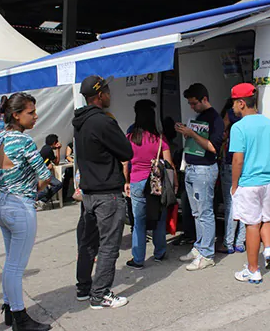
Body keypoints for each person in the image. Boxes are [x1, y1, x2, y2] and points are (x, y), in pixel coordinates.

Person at [0, 92, 53, 330]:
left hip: (2, 204)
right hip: (20, 207)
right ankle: (20, 318)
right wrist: (35, 188)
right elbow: (45, 175)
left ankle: (9, 307)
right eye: (31, 112)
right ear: (16, 115)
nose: (35, 116)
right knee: (15, 267)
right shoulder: (25, 142)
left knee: (10, 263)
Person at [73, 75, 133, 309]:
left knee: (88, 243)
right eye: (107, 91)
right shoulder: (103, 121)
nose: (110, 96)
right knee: (108, 245)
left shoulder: (79, 121)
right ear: (100, 95)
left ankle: (84, 287)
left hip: (88, 192)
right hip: (107, 192)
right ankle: (100, 295)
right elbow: (127, 152)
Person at [229, 83, 270, 284]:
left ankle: (253, 270)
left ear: (242, 103)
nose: (233, 107)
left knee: (252, 225)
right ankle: (268, 248)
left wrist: (235, 184)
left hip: (249, 182)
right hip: (269, 181)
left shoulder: (239, 127)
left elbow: (238, 160)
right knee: (266, 219)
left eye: (234, 103)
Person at [175, 83, 224, 271]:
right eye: (190, 103)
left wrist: (192, 134)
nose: (192, 107)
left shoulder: (215, 119)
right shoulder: (200, 117)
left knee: (205, 212)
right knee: (197, 213)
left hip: (204, 169)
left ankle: (207, 254)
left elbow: (213, 147)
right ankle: (199, 247)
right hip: (192, 168)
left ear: (204, 99)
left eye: (194, 103)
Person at [123, 108, 177, 269]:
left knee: (139, 222)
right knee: (159, 217)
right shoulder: (160, 139)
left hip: (136, 182)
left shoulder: (130, 138)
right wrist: (175, 182)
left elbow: (125, 164)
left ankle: (138, 259)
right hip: (156, 183)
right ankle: (160, 252)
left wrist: (126, 181)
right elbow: (168, 164)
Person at [217, 100, 246, 254]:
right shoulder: (253, 119)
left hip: (231, 163)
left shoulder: (229, 115)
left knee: (231, 204)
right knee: (244, 204)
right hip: (247, 165)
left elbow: (220, 133)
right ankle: (240, 242)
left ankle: (228, 243)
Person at [36, 134, 63, 209]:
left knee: (58, 184)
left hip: (43, 172)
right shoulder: (49, 150)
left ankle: (42, 201)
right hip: (39, 173)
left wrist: (48, 165)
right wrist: (58, 149)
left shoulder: (46, 148)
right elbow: (56, 162)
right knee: (45, 191)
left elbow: (46, 160)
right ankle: (29, 202)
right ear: (54, 143)